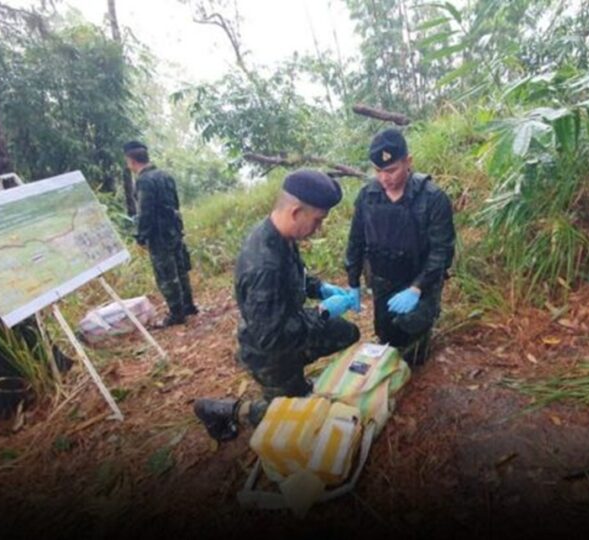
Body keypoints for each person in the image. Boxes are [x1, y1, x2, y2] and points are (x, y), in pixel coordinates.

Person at [193, 169, 360, 441]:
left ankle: (298, 386)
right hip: (269, 350)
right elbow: (272, 337)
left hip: (289, 327)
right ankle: (223, 410)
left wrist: (320, 288)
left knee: (347, 332)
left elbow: (295, 277)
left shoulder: (281, 234)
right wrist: (322, 312)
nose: (319, 228)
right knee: (290, 416)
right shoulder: (263, 265)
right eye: (317, 221)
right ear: (295, 212)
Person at [345, 128, 455, 366]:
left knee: (415, 346)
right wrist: (353, 281)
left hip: (419, 279)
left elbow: (441, 251)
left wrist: (417, 288)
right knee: (387, 337)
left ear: (408, 161)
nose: (385, 178)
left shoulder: (433, 198)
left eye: (391, 170)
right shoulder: (368, 196)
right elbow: (356, 240)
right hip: (383, 279)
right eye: (378, 171)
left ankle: (423, 331)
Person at [123, 141, 197, 328]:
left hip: (159, 235)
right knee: (180, 270)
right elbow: (176, 204)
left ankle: (176, 314)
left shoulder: (144, 181)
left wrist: (141, 236)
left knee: (166, 275)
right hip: (174, 230)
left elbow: (145, 212)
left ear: (132, 160)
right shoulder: (165, 175)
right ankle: (188, 307)